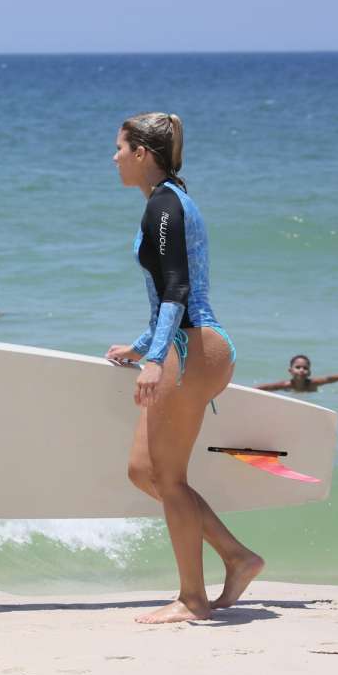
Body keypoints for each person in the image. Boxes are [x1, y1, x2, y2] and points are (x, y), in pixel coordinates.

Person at [104, 112, 263, 625]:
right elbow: (169, 294)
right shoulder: (167, 202)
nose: (115, 157)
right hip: (186, 342)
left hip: (192, 347)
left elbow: (178, 288)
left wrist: (154, 359)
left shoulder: (165, 206)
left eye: (120, 148)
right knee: (143, 471)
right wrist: (142, 344)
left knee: (169, 477)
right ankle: (237, 557)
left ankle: (193, 599)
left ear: (142, 154)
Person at [255, 355, 338, 393]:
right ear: (290, 371)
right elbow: (268, 387)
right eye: (298, 367)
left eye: (305, 368)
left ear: (309, 373)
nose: (301, 370)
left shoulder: (312, 383)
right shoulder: (286, 385)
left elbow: (329, 379)